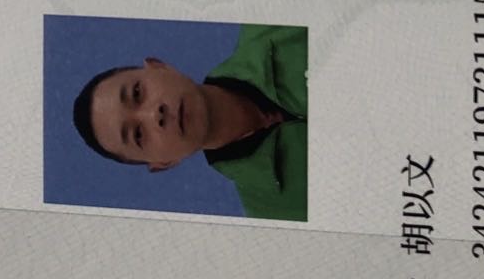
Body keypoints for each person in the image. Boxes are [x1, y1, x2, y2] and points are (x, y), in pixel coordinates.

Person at [71, 23, 307, 221]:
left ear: (160, 66)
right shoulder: (274, 213)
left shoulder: (273, 25)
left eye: (137, 93)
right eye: (138, 135)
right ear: (163, 163)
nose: (154, 115)